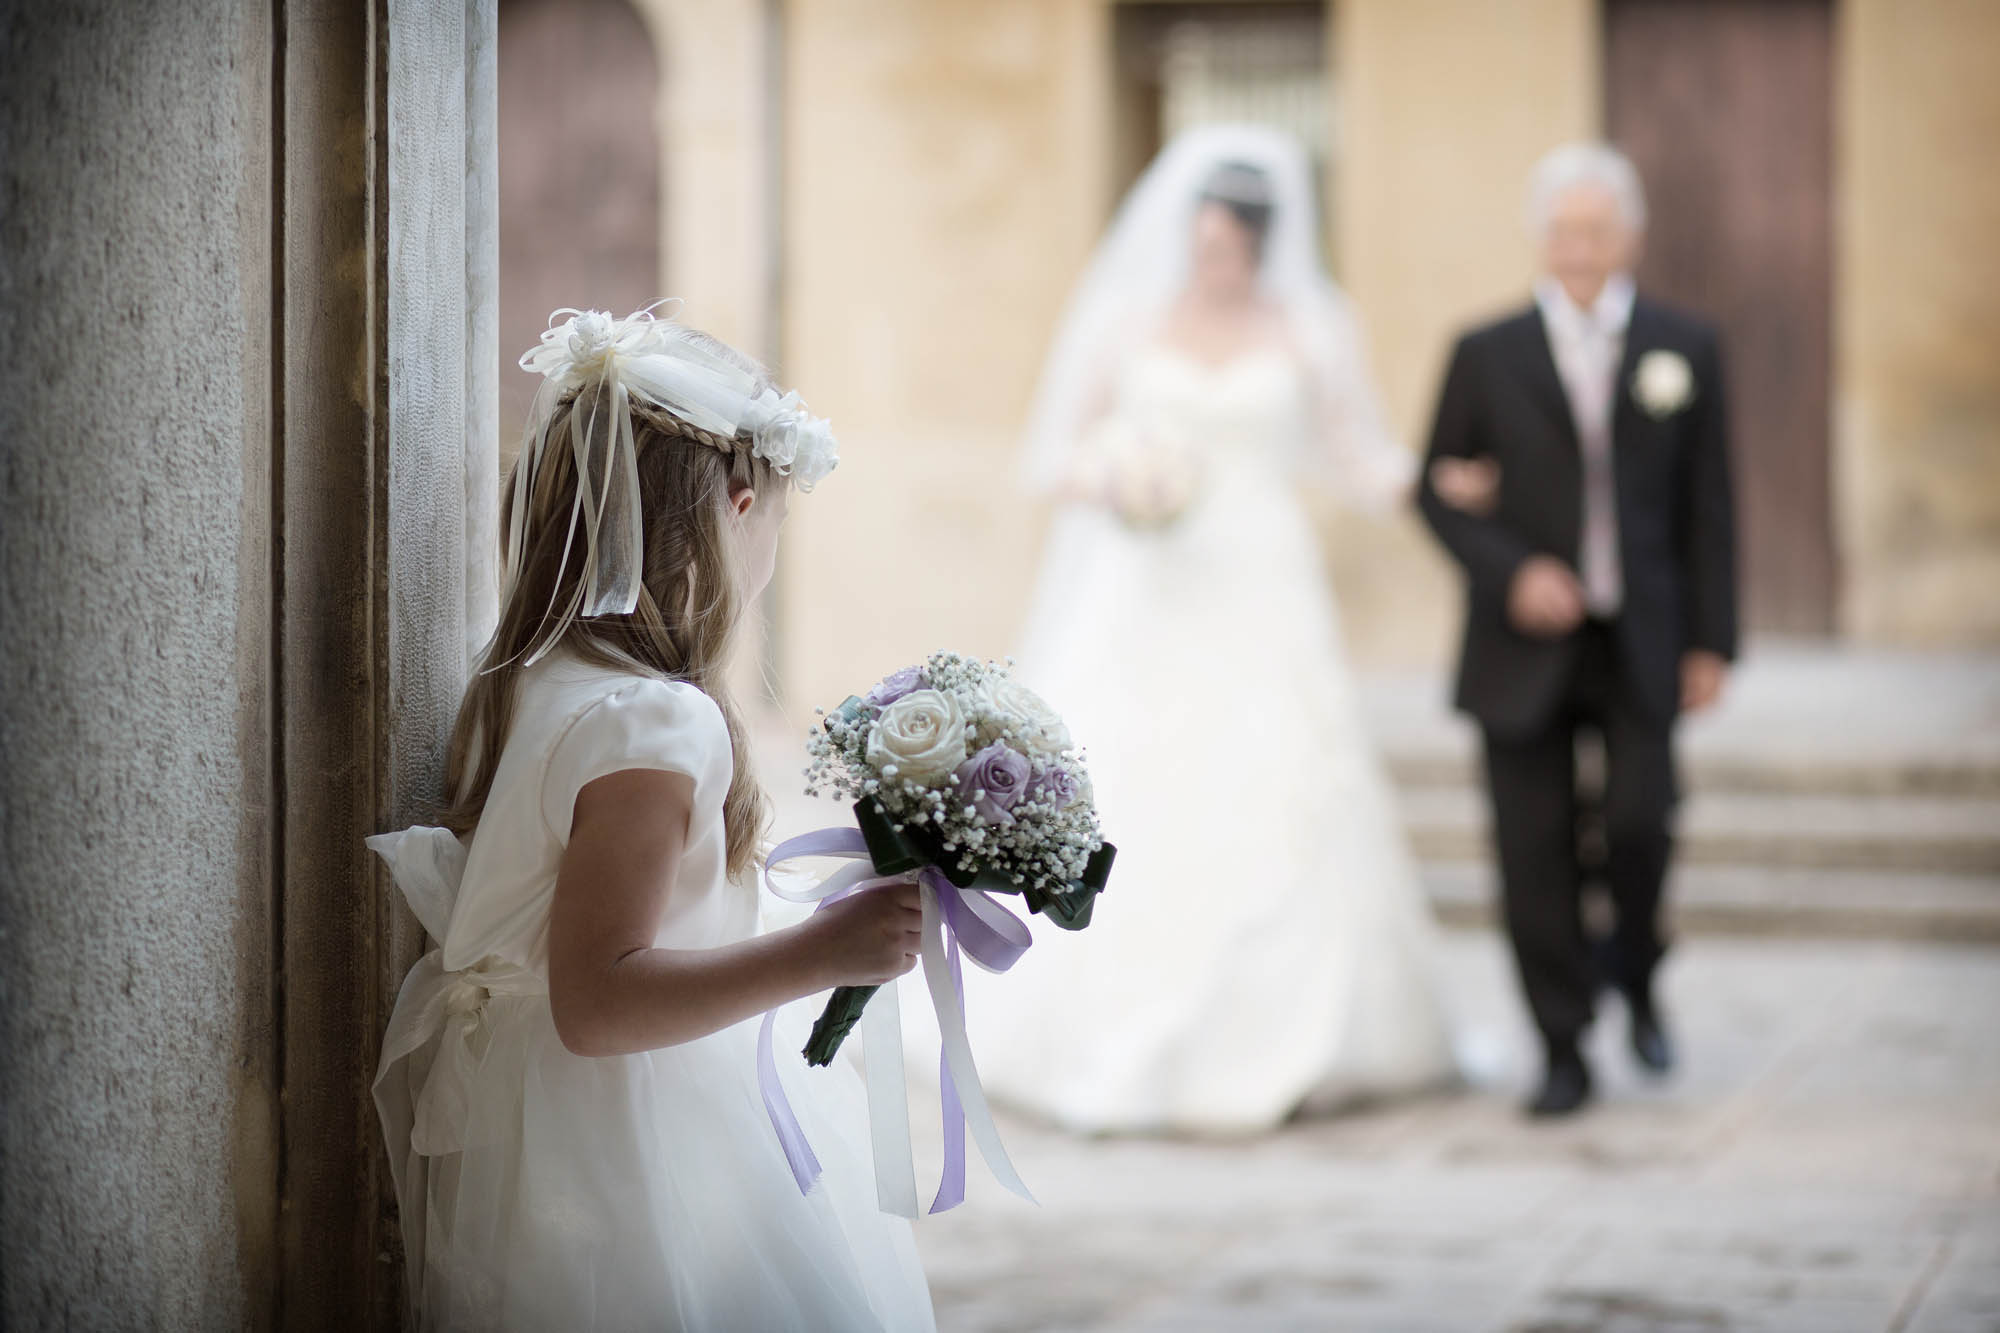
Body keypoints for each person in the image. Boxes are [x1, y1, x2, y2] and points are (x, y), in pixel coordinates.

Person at [367, 306, 936, 1329]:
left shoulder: (534, 679)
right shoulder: (651, 723)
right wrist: (826, 950)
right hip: (634, 1141)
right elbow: (599, 1000)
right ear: (738, 503)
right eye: (772, 527)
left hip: (544, 1135)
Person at [951, 126, 1481, 1136]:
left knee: (1277, 779)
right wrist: (1113, 475)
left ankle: (1298, 1033)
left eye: (1226, 250)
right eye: (1197, 247)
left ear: (1261, 245)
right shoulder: (1124, 320)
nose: (1209, 265)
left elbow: (1356, 459)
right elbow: (1052, 456)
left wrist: (1437, 483)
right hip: (1145, 586)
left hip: (1259, 577)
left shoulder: (1314, 329)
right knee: (1131, 778)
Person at [1415, 143, 1738, 1118]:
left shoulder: (1686, 345)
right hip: (1520, 647)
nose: (1579, 247)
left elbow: (1708, 507)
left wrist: (1710, 641)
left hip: (1639, 635)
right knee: (1531, 849)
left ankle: (1632, 967)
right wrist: (1512, 571)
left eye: (1596, 230)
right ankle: (1560, 1044)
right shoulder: (1483, 350)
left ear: (1627, 236)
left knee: (1642, 822)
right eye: (1562, 230)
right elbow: (1436, 491)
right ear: (1541, 239)